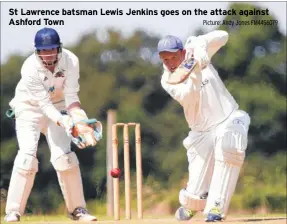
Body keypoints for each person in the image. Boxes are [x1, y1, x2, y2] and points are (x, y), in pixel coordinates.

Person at [4, 27, 103, 222]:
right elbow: (44, 106)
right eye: (44, 50)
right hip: (28, 107)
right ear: (37, 51)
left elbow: (72, 98)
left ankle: (78, 210)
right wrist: (66, 121)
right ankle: (13, 211)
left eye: (52, 49)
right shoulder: (29, 67)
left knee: (64, 158)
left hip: (59, 106)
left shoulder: (71, 61)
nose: (48, 55)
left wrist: (79, 120)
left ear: (59, 48)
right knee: (27, 156)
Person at [157, 30, 251, 222]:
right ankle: (193, 205)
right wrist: (195, 69)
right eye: (165, 59)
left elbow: (224, 35)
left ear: (182, 52)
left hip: (228, 117)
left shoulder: (194, 50)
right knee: (195, 192)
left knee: (229, 149)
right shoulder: (168, 79)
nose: (170, 63)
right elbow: (189, 96)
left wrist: (200, 46)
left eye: (173, 57)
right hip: (201, 131)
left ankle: (216, 208)